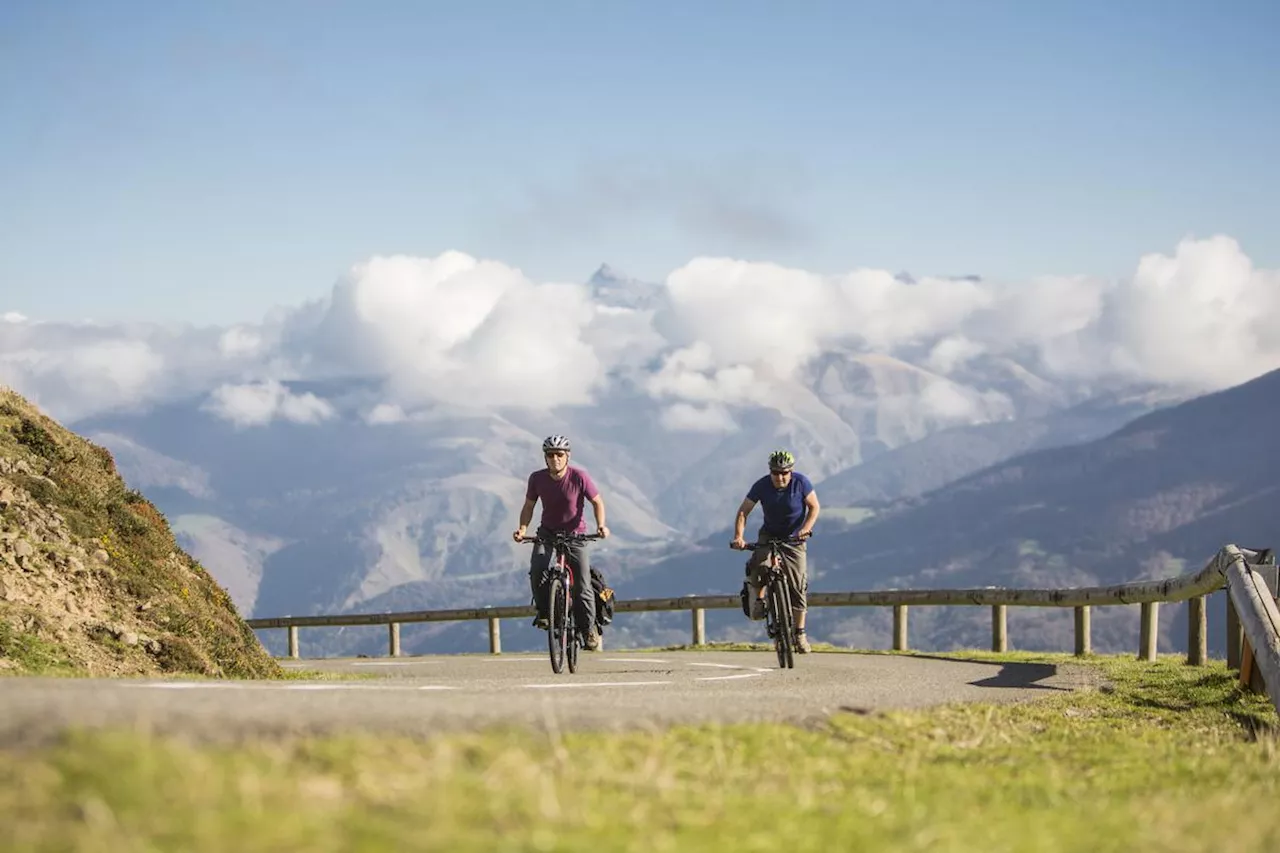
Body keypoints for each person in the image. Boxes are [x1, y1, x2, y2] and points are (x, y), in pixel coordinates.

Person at [513, 434, 610, 650]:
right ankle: (545, 613)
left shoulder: (579, 477)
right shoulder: (537, 478)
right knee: (537, 569)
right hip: (547, 533)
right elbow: (529, 506)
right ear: (545, 457)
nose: (555, 458)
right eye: (550, 455)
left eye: (559, 454)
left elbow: (597, 502)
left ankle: (588, 631)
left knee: (583, 584)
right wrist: (522, 529)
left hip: (576, 536)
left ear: (567, 456)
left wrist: (601, 525)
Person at [729, 449, 820, 653]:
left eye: (784, 473)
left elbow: (814, 507)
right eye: (775, 473)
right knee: (759, 565)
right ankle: (759, 600)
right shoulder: (762, 485)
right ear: (770, 472)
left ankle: (799, 633)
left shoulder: (801, 483)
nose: (780, 477)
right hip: (769, 534)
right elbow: (744, 511)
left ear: (791, 471)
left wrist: (805, 529)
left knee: (798, 586)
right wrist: (739, 537)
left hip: (795, 538)